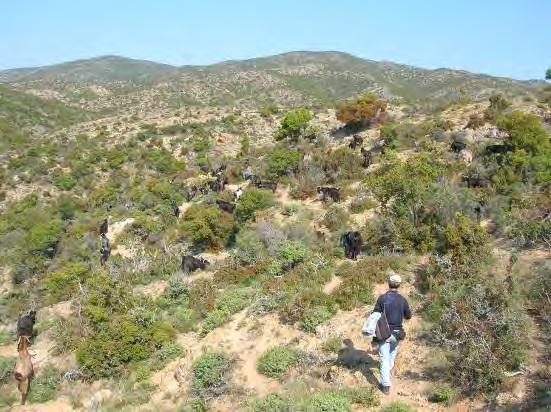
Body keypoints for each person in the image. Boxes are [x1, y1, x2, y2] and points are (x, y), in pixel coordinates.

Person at [372, 272, 412, 394]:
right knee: (391, 354)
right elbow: (408, 316)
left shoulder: (382, 298)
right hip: (397, 334)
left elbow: (375, 314)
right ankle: (386, 376)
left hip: (384, 333)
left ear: (388, 284)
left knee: (384, 359)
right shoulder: (403, 300)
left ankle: (385, 385)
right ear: (399, 285)